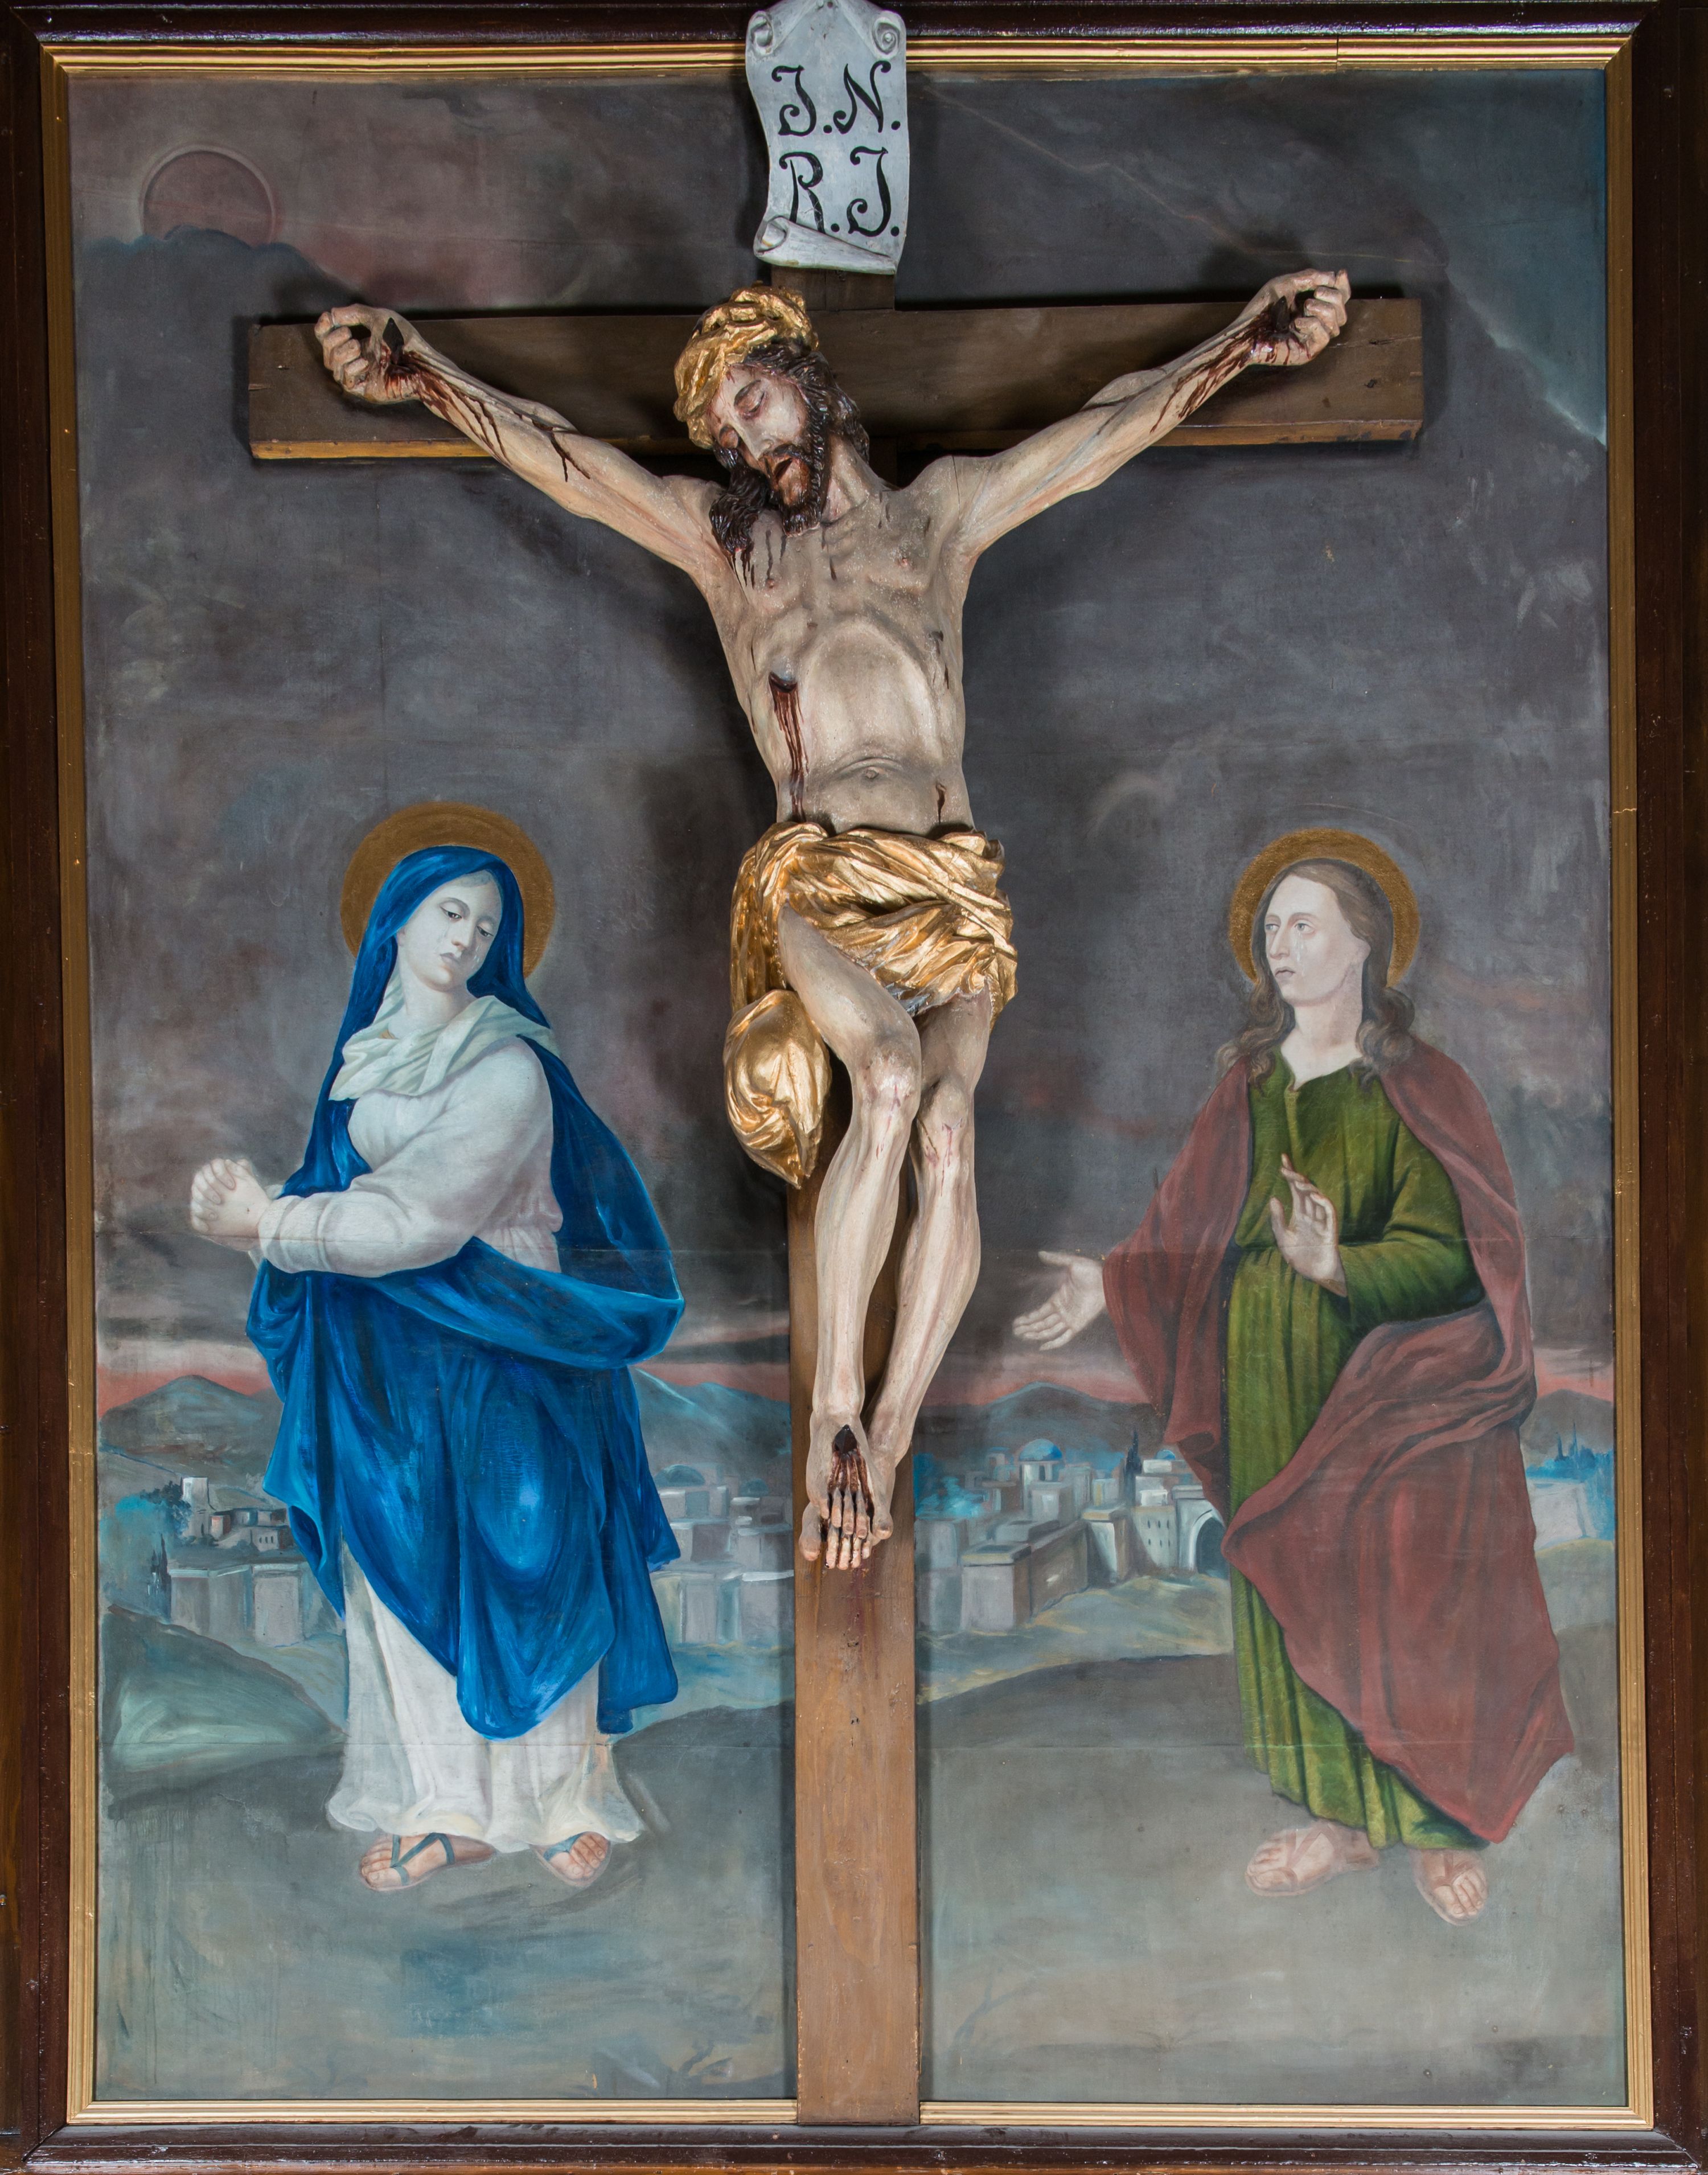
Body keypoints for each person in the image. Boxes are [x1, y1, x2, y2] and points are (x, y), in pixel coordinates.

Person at [313, 269, 1350, 1570]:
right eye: (722, 433)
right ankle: (836, 1421)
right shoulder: (731, 553)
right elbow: (570, 463)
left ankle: (890, 1432)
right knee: (892, 1080)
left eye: (749, 400)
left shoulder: (940, 517)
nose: (743, 440)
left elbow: (1101, 433)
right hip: (818, 870)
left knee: (951, 1130)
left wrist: (1247, 345)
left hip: (953, 876)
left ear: (805, 377)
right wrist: (418, 372)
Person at [1014, 834, 1574, 1924]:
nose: (1281, 943)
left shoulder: (1421, 1087)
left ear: (1365, 943)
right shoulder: (1251, 1083)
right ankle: (1341, 1822)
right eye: (1271, 927)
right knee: (1291, 1584)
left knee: (1408, 1597)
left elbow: (1459, 1254)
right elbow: (1189, 1226)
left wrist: (1339, 1263)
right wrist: (1112, 1283)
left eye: (1304, 923)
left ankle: (1436, 1828)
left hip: (1391, 1388)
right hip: (1264, 1371)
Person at [188, 827, 684, 1895]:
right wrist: (269, 1222)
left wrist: (267, 1224)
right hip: (385, 1354)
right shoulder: (361, 1062)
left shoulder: (509, 1065)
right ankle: (446, 1804)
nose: (467, 937)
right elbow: (349, 1201)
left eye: (489, 924)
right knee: (402, 1553)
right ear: (398, 919)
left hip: (507, 1336)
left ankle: (559, 1800)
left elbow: (421, 1220)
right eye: (451, 911)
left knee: (534, 1553)